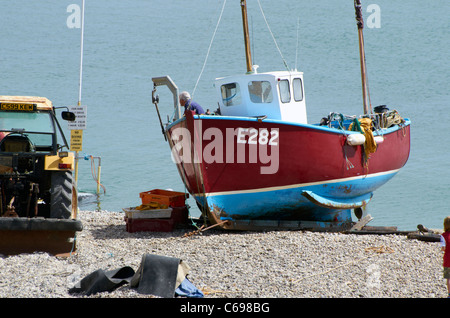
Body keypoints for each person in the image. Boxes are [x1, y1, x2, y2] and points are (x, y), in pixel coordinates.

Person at [440, 216, 450, 298]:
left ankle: (449, 294)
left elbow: (443, 248)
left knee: (448, 278)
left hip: (447, 259)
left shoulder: (443, 236)